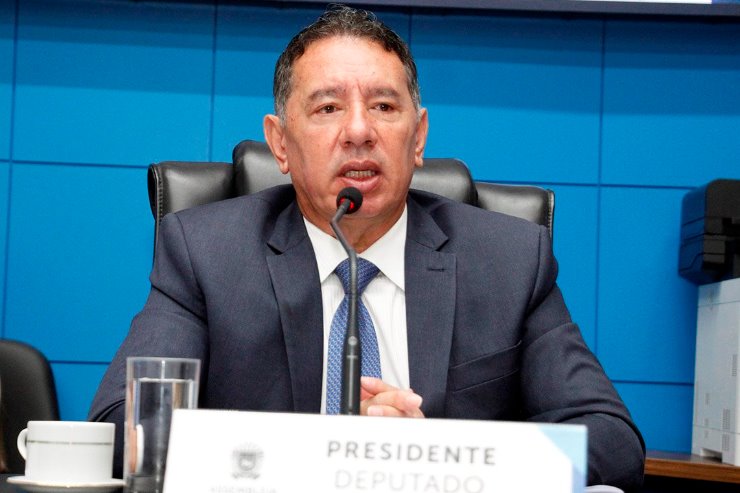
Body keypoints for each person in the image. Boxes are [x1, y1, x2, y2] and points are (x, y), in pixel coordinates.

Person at [89, 4, 645, 490]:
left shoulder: (509, 261)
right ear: (280, 144)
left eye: (383, 106)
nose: (359, 131)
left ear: (418, 137)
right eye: (328, 108)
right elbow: (123, 427)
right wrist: (328, 459)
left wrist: (433, 460)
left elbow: (611, 440)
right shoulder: (206, 253)